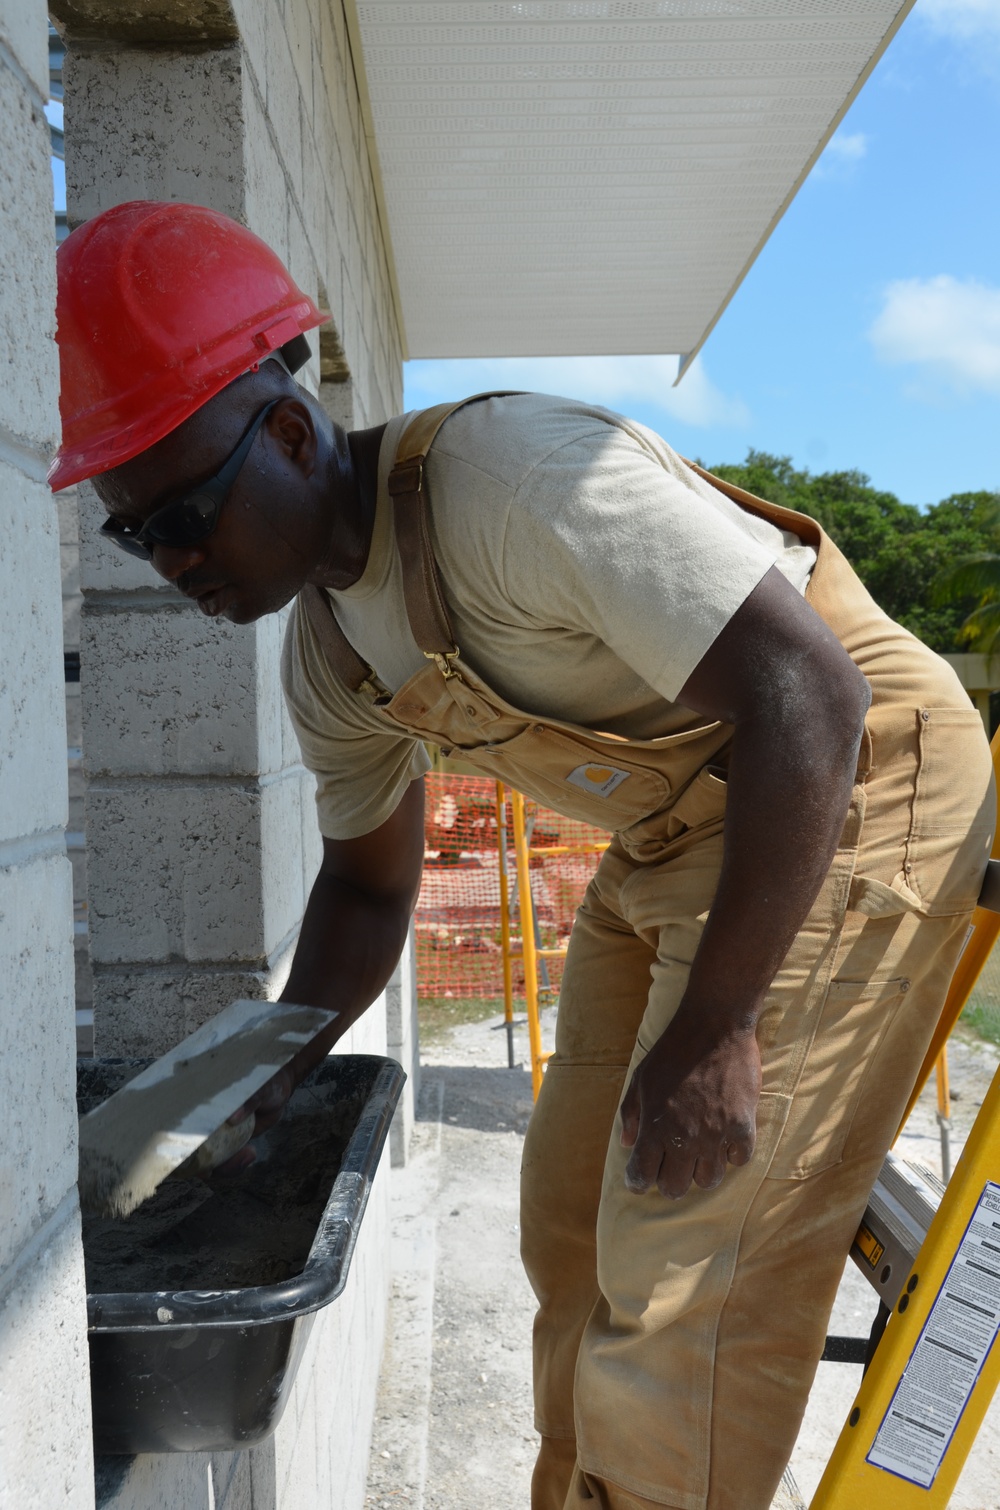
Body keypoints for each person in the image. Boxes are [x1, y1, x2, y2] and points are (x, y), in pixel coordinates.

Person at [52, 201, 995, 1510]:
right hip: (683, 832)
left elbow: (808, 694)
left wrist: (719, 1027)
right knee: (568, 1220)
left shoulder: (514, 481)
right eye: (131, 534)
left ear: (283, 429)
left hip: (855, 781)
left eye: (179, 517)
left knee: (682, 1269)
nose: (172, 562)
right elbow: (370, 886)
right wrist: (248, 1074)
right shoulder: (330, 653)